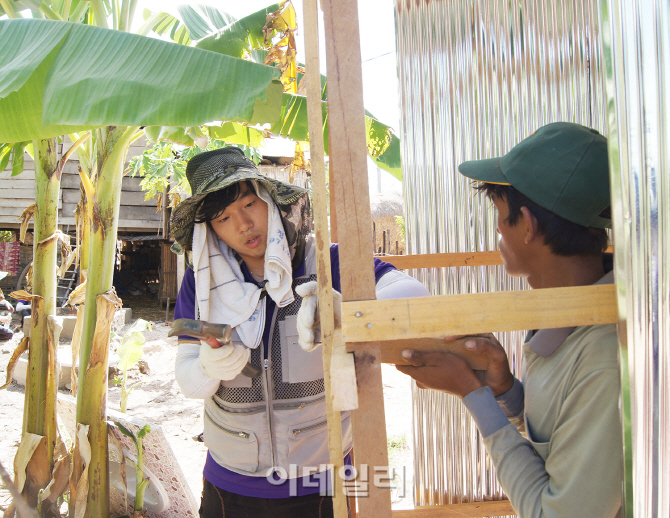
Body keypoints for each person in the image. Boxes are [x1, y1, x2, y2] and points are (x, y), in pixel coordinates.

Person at [170, 146, 429, 518]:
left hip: (319, 481)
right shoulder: (202, 283)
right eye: (224, 218)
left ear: (270, 200)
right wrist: (209, 367)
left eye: (248, 205)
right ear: (210, 229)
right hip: (231, 484)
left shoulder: (324, 261)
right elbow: (188, 377)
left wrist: (346, 312)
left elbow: (415, 297)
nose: (243, 225)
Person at [397, 122, 622, 517]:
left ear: (528, 226)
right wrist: (503, 391)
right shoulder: (565, 318)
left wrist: (473, 394)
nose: (498, 228)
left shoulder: (606, 357)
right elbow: (557, 440)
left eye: (501, 214)